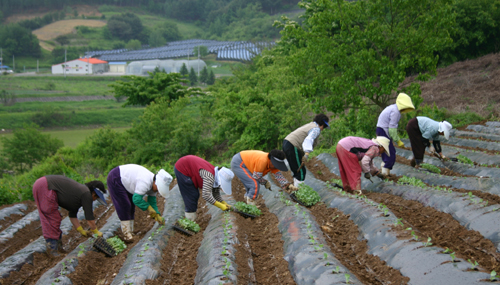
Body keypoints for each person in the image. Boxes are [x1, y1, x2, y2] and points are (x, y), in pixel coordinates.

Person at [32, 176, 107, 257]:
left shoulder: (79, 194)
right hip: (46, 186)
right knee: (52, 218)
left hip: (43, 184)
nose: (95, 200)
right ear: (93, 193)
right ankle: (52, 249)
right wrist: (95, 231)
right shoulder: (86, 194)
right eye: (96, 197)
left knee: (55, 218)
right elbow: (89, 217)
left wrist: (81, 230)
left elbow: (72, 215)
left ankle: (58, 248)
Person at [107, 164, 172, 241]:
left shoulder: (153, 187)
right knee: (125, 205)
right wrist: (148, 208)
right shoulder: (145, 182)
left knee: (131, 206)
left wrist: (157, 215)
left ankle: (130, 231)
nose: (158, 190)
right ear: (156, 182)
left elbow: (152, 202)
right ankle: (126, 234)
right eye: (159, 187)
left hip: (126, 182)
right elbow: (136, 199)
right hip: (116, 178)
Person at [174, 155, 234, 221]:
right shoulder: (210, 177)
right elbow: (206, 195)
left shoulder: (215, 175)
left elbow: (215, 193)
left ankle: (191, 218)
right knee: (192, 195)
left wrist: (224, 203)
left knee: (194, 194)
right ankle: (190, 219)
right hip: (182, 168)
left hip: (187, 164)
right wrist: (221, 206)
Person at [231, 149, 297, 205]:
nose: (275, 166)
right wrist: (265, 182)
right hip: (239, 162)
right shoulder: (263, 160)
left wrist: (287, 185)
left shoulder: (273, 165)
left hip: (244, 163)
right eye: (275, 164)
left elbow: (278, 175)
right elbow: (256, 176)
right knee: (254, 184)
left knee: (251, 183)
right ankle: (251, 204)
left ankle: (247, 200)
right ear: (271, 160)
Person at [283, 114, 330, 187]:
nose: (323, 129)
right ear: (322, 124)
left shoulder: (311, 125)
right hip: (293, 145)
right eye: (324, 127)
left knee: (297, 170)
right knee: (301, 172)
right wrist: (307, 153)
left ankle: (296, 190)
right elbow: (309, 139)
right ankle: (299, 193)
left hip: (287, 143)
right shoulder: (316, 129)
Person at [376, 93, 415, 175]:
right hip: (383, 130)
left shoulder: (392, 107)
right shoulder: (396, 111)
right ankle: (385, 173)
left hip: (380, 129)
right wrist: (398, 141)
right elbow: (392, 129)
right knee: (390, 153)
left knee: (385, 151)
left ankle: (384, 169)